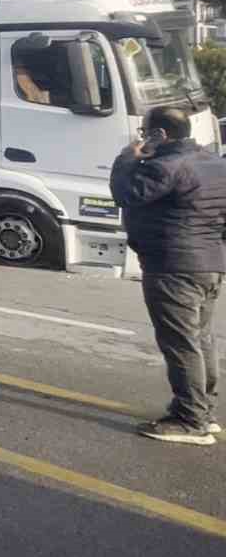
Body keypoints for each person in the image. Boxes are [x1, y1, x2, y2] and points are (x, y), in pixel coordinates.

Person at [110, 106, 226, 445]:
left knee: (181, 344)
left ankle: (191, 421)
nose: (142, 139)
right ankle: (204, 411)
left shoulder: (167, 166)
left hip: (173, 265)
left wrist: (127, 157)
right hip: (208, 264)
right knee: (200, 339)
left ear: (160, 135)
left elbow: (125, 192)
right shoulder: (215, 163)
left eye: (145, 133)